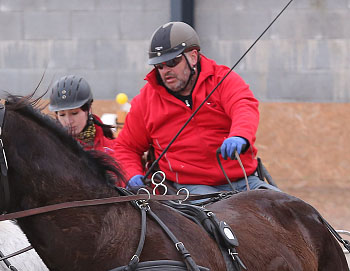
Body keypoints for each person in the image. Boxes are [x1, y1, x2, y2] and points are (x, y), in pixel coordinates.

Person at [113, 21, 275, 196]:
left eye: (172, 62)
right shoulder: (145, 101)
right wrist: (132, 175)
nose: (166, 70)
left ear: (193, 56)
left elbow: (243, 106)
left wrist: (240, 135)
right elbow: (127, 147)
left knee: (289, 209)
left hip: (243, 180)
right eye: (159, 66)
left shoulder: (223, 79)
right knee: (215, 218)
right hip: (189, 187)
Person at [48, 75, 116, 154]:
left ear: (89, 109)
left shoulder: (111, 148)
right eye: (62, 115)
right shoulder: (51, 149)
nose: (68, 121)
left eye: (74, 113)